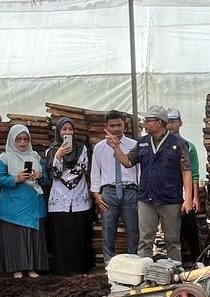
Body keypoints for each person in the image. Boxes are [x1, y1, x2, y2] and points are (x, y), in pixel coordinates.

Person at [112, 106, 195, 264]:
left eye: (147, 120)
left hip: (170, 200)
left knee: (172, 240)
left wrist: (188, 198)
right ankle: (144, 276)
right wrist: (116, 147)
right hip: (146, 199)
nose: (144, 124)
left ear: (159, 122)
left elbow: (186, 171)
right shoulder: (142, 142)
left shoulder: (179, 143)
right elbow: (128, 162)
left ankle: (174, 274)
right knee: (145, 240)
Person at [0, 124, 50, 278]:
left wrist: (40, 176)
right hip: (13, 204)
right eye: (18, 139)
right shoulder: (4, 158)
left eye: (26, 139)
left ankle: (32, 268)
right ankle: (17, 269)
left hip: (33, 202)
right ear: (12, 140)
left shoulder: (35, 156)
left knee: (33, 235)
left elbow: (46, 179)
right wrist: (16, 178)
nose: (23, 142)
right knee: (15, 236)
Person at [44, 117, 95, 276]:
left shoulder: (82, 148)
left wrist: (62, 173)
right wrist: (58, 155)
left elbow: (81, 169)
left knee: (80, 235)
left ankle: (80, 269)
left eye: (70, 129)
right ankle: (62, 270)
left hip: (79, 199)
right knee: (61, 237)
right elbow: (53, 174)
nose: (67, 132)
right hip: (59, 202)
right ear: (59, 132)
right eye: (64, 129)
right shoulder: (51, 151)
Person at [90, 110, 139, 264]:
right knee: (108, 229)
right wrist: (97, 195)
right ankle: (108, 263)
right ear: (106, 126)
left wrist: (140, 193)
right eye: (112, 125)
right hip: (109, 192)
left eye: (119, 124)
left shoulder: (133, 145)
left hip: (130, 191)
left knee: (133, 229)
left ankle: (134, 262)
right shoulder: (99, 147)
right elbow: (95, 172)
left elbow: (139, 171)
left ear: (124, 125)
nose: (116, 128)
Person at [167, 109, 205, 265]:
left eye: (173, 121)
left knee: (191, 230)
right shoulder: (159, 146)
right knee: (170, 233)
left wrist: (194, 197)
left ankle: (198, 261)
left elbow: (194, 173)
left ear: (180, 123)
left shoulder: (189, 147)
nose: (170, 125)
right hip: (166, 196)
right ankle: (173, 264)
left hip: (184, 195)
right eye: (168, 121)